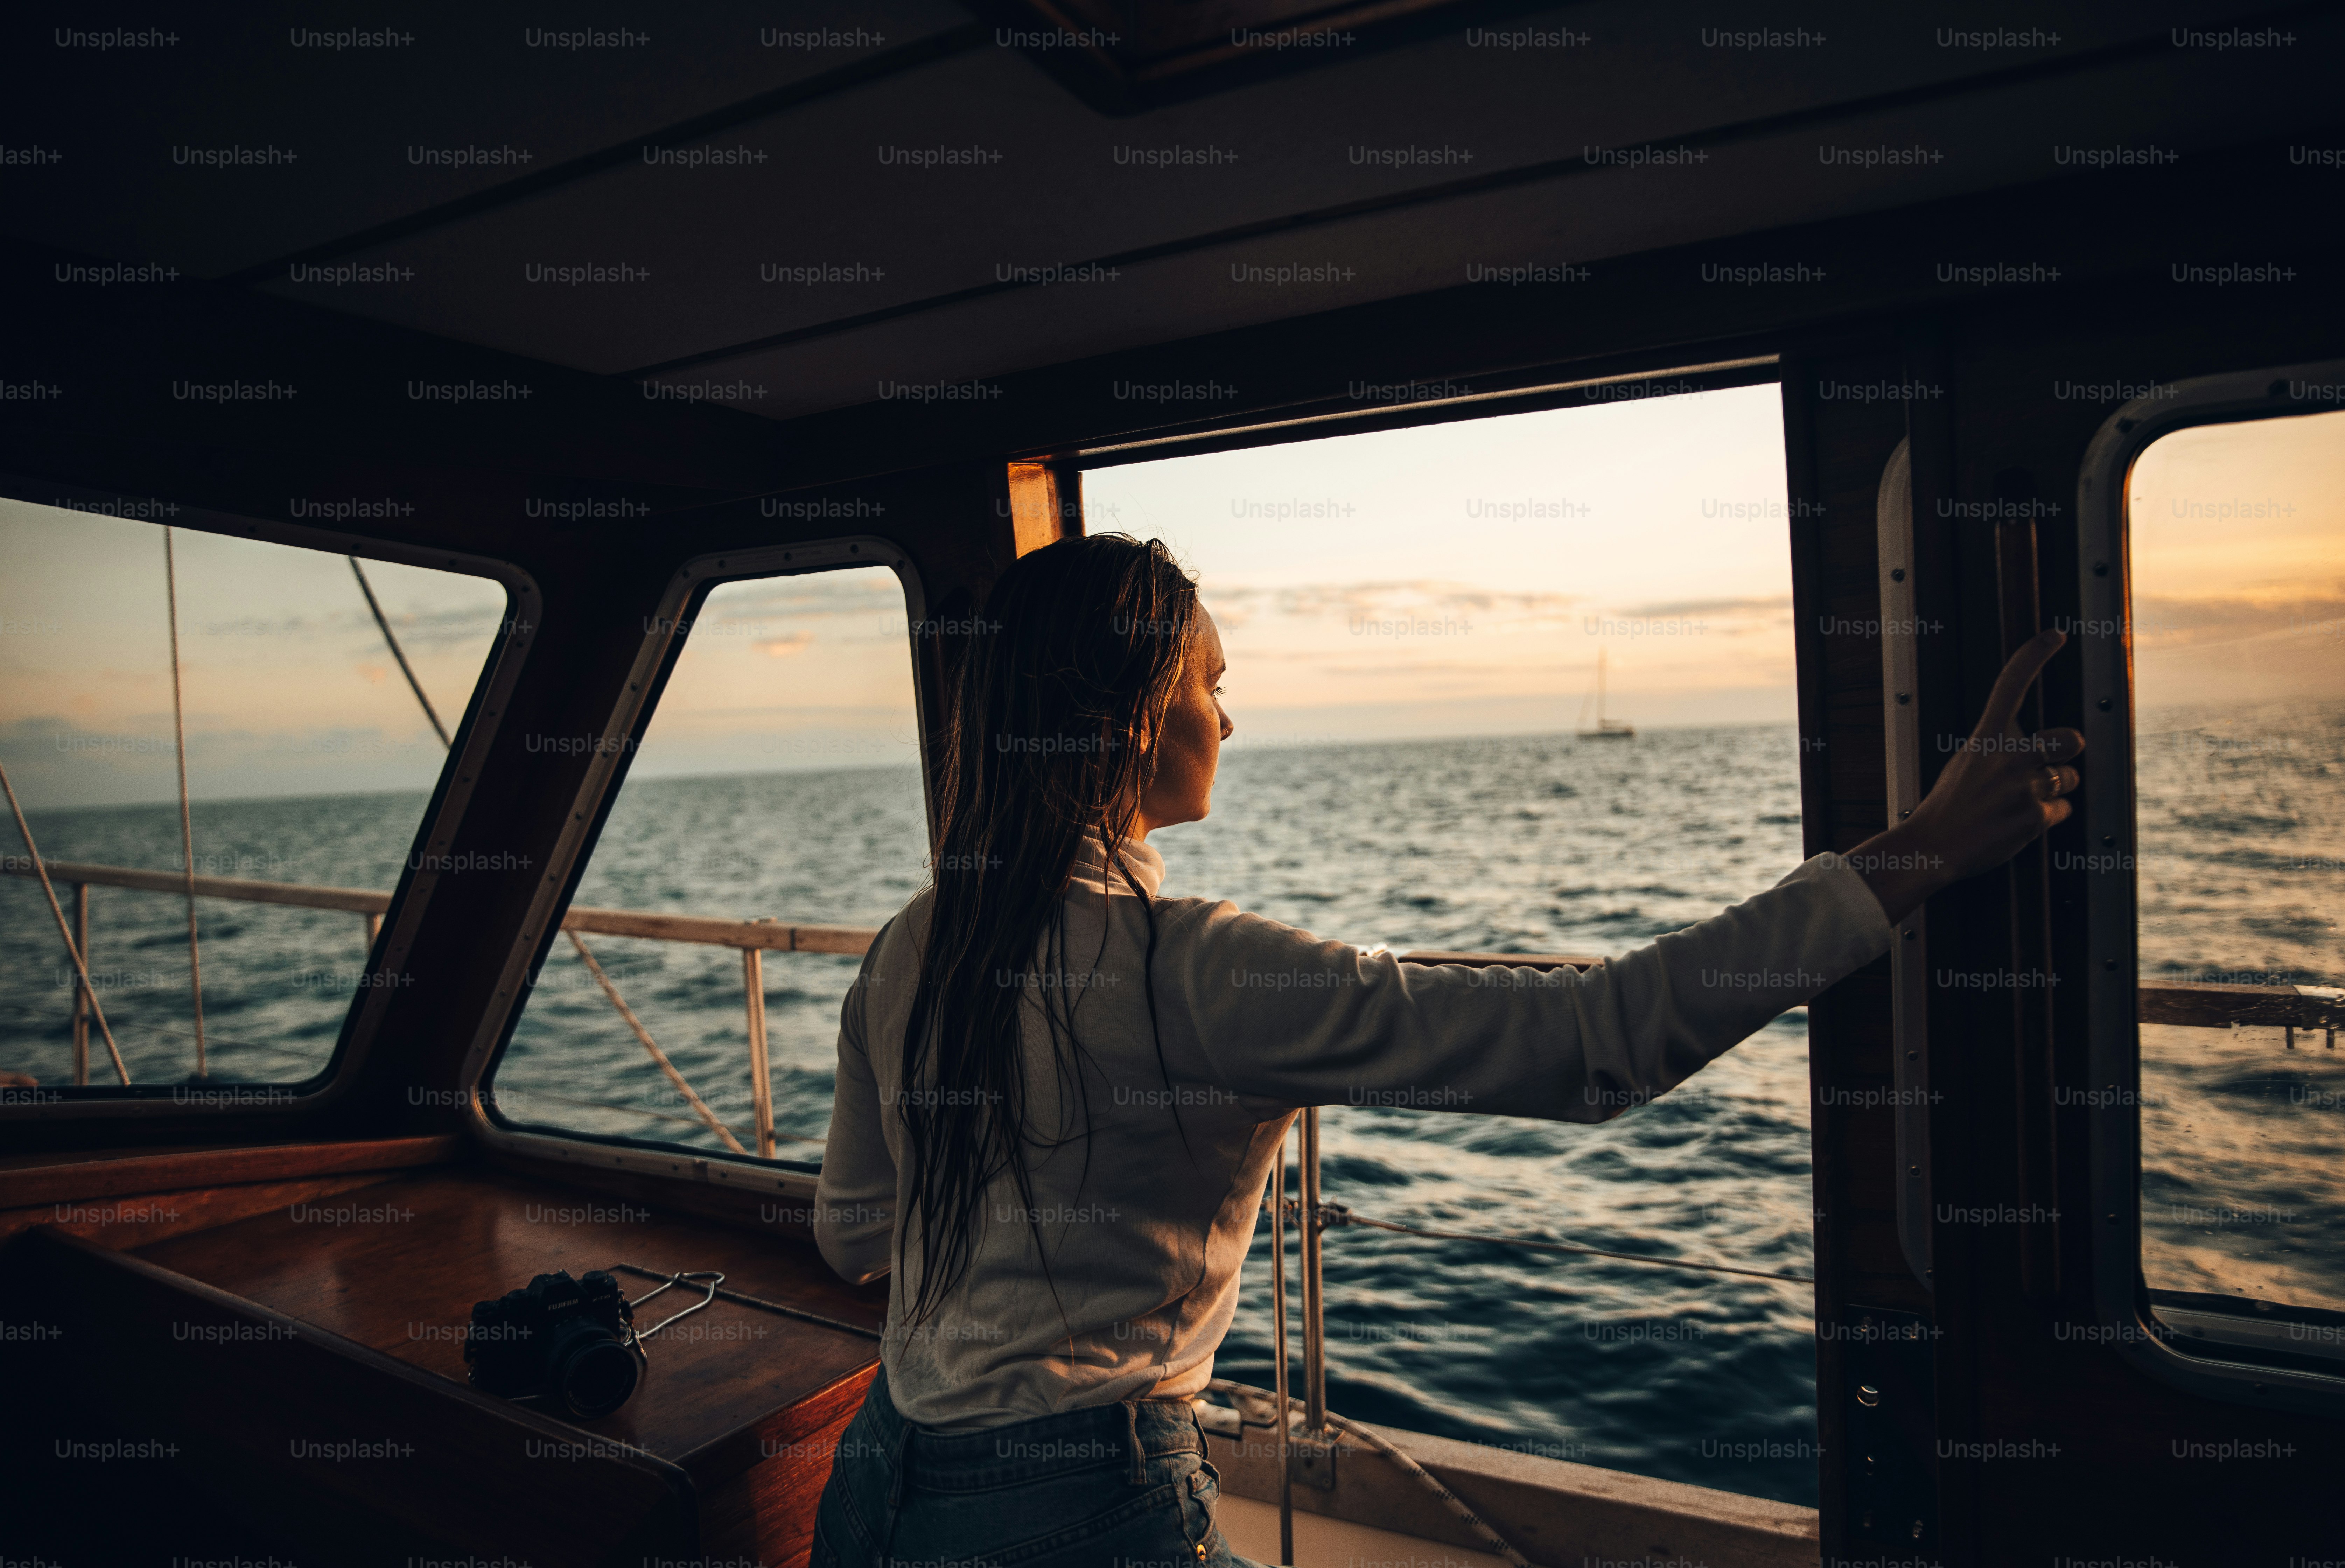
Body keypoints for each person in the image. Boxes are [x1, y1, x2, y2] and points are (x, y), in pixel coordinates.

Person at [812, 534, 2082, 1567]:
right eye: (1211, 682)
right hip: (1075, 1513)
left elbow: (856, 1236)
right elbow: (1601, 1041)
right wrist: (1924, 849)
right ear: (1137, 714)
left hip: (880, 1481)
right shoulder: (1191, 971)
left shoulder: (910, 947)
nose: (1230, 721)